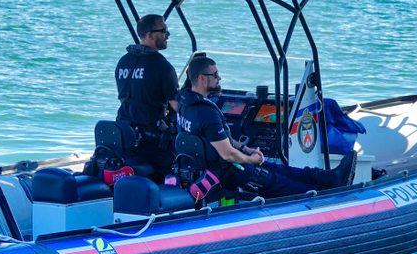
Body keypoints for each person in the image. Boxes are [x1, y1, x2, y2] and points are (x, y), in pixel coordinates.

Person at [176, 57, 355, 199]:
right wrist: (251, 160)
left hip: (213, 167)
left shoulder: (185, 104)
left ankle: (331, 177)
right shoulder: (207, 113)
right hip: (229, 172)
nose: (219, 78)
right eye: (215, 74)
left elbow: (219, 140)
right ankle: (328, 193)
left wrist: (246, 149)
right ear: (201, 78)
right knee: (282, 182)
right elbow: (228, 154)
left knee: (282, 169)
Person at [114, 14, 179, 183]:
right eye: (164, 30)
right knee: (172, 173)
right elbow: (177, 106)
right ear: (150, 35)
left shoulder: (123, 61)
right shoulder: (162, 66)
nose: (168, 34)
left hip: (124, 134)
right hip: (151, 141)